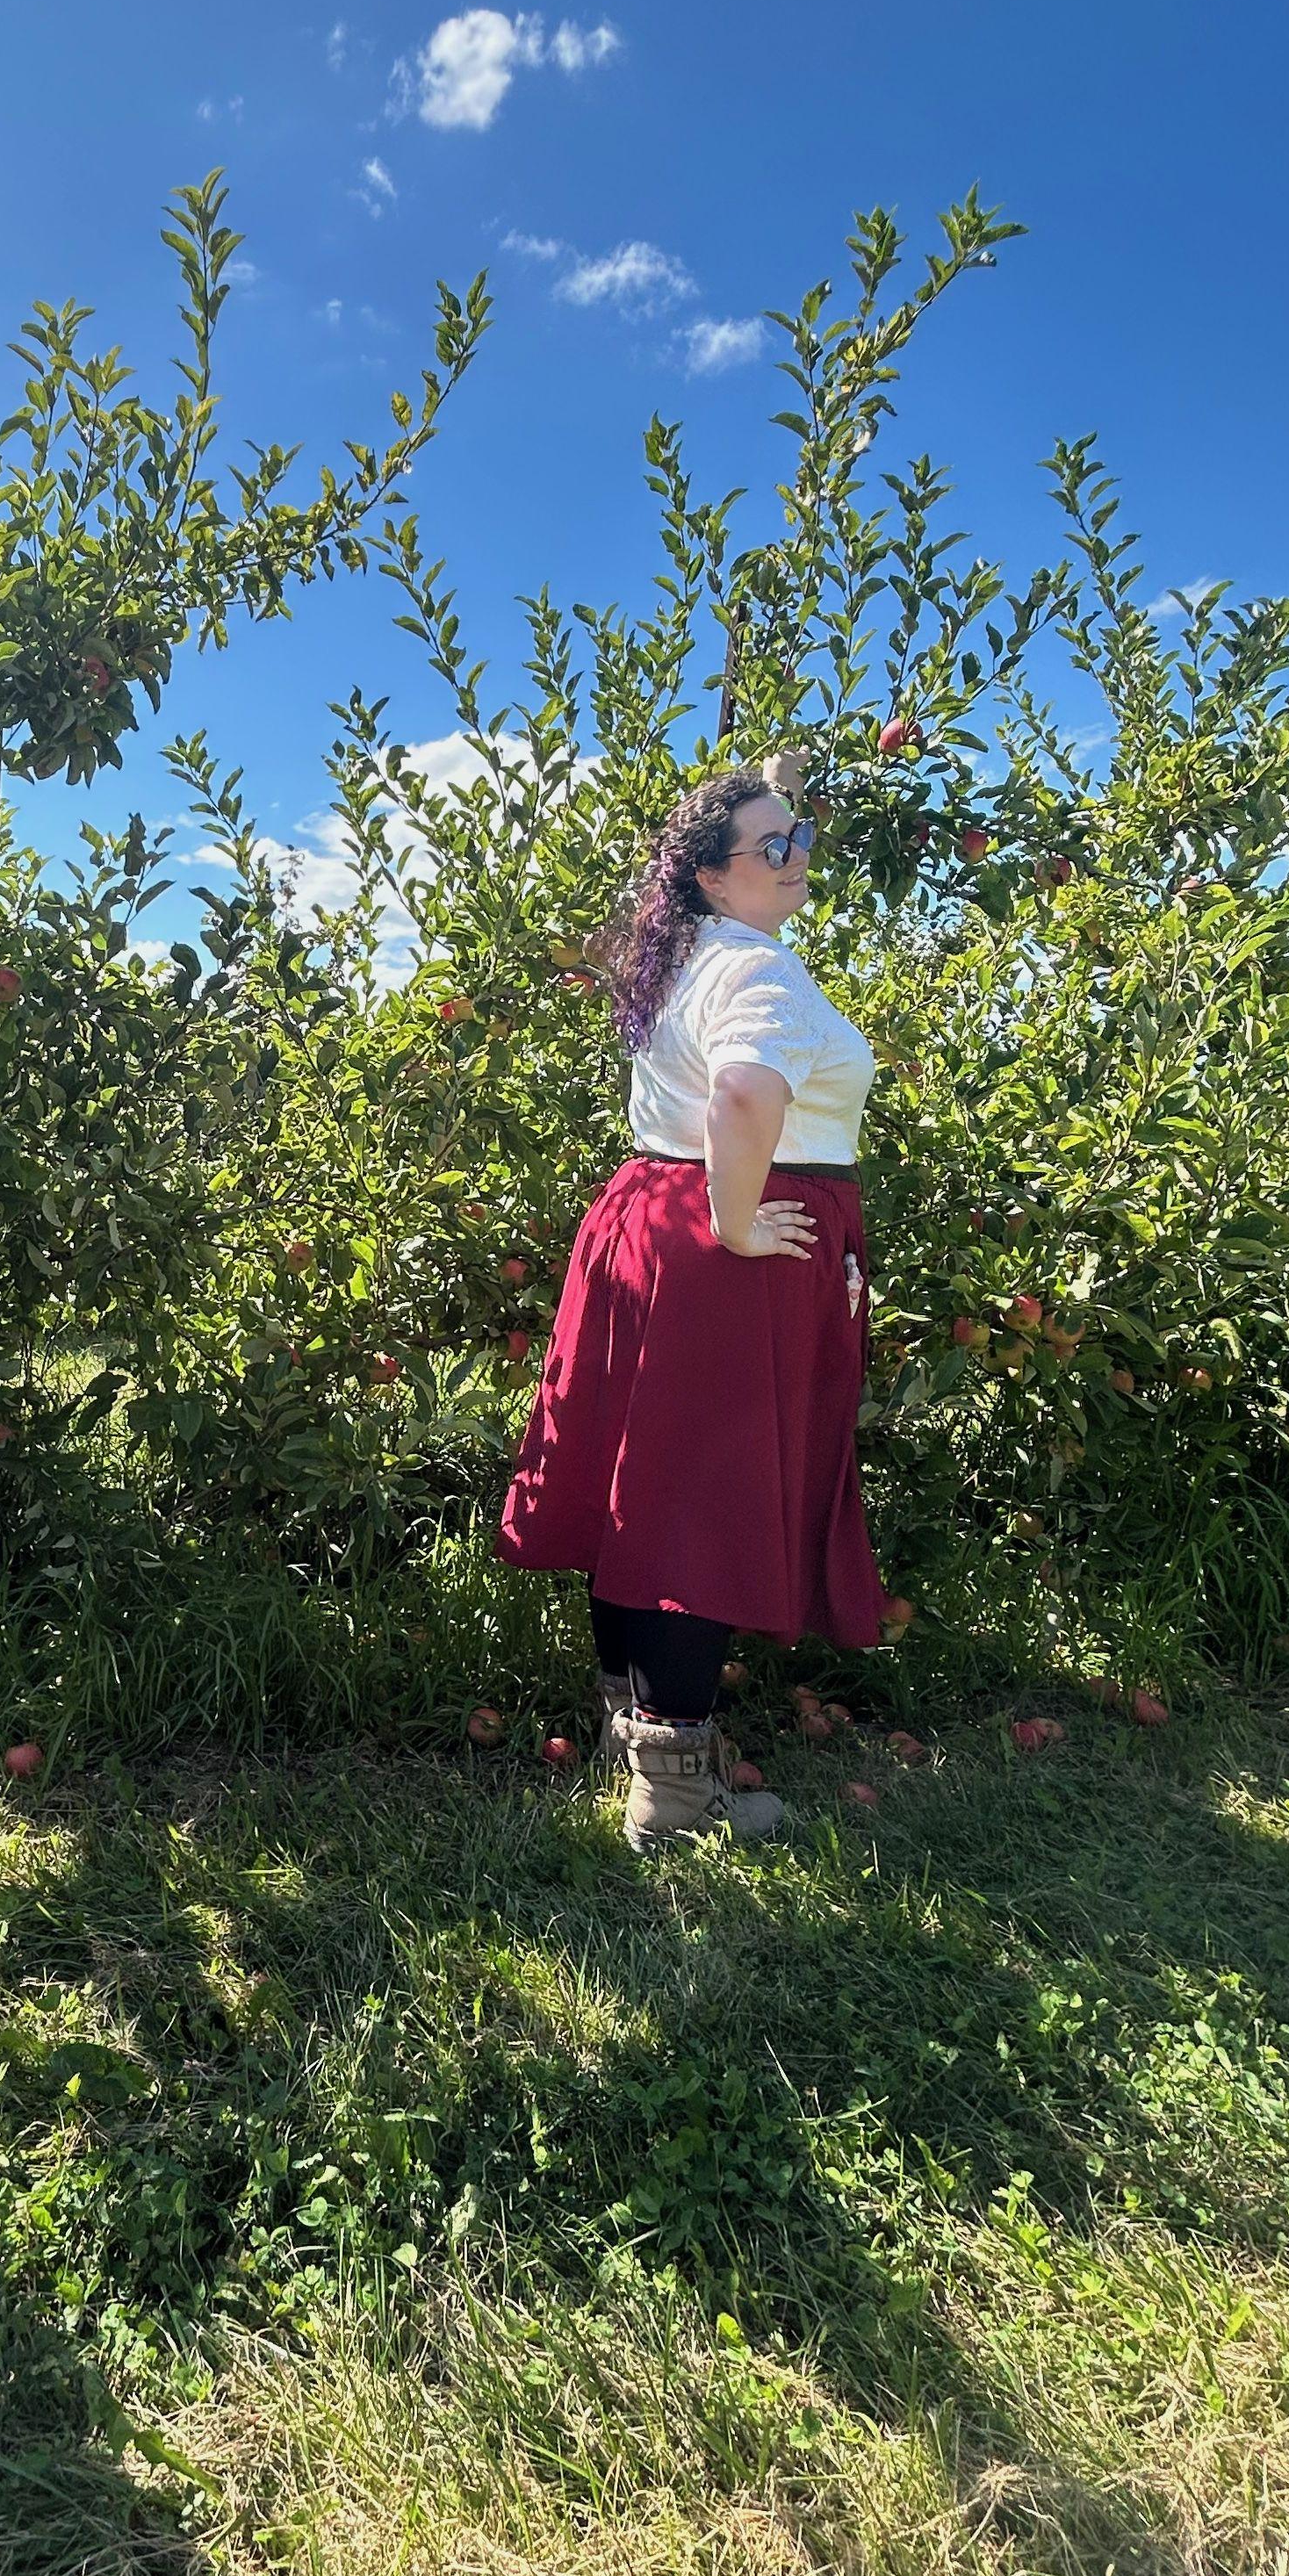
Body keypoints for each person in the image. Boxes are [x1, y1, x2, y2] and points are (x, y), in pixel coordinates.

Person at [497, 764, 886, 1848]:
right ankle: (671, 1796)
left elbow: (725, 1094)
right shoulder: (757, 970)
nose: (797, 852)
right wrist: (736, 1220)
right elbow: (747, 1092)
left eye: (799, 835)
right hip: (721, 1256)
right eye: (772, 844)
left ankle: (636, 1734)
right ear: (713, 878)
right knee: (702, 1505)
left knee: (643, 1485)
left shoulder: (688, 958)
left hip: (645, 1222)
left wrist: (775, 789)